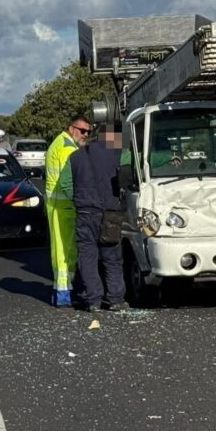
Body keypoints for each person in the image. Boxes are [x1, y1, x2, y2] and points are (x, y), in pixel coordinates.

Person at [64, 123, 128, 312]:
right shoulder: (119, 153)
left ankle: (93, 300)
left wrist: (80, 202)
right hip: (110, 212)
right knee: (112, 258)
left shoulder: (74, 157)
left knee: (87, 257)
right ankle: (116, 299)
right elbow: (127, 178)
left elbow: (66, 186)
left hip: (85, 212)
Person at [44, 115, 90, 306]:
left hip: (57, 206)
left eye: (88, 131)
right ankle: (64, 295)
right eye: (82, 130)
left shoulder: (59, 143)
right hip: (64, 207)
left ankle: (61, 292)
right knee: (66, 251)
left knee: (60, 251)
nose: (85, 135)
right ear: (71, 128)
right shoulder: (67, 148)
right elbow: (69, 181)